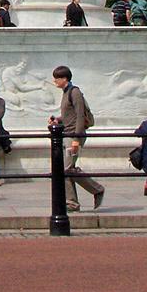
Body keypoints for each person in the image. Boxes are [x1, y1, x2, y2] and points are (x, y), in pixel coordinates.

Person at [51, 65, 104, 212]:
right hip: (67, 134)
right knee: (67, 169)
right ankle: (72, 202)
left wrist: (76, 138)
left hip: (74, 136)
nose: (54, 81)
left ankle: (96, 190)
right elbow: (70, 115)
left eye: (57, 78)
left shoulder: (75, 93)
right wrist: (58, 120)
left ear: (65, 79)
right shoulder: (66, 92)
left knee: (66, 169)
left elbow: (80, 115)